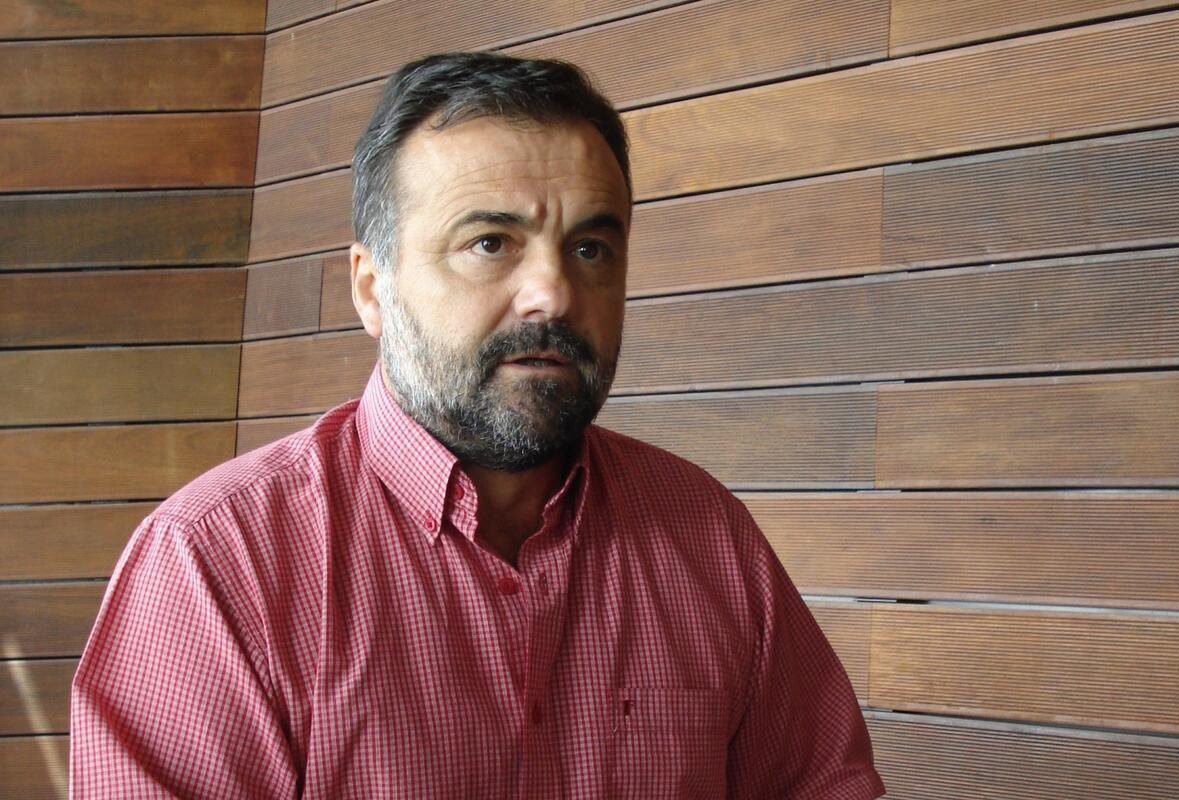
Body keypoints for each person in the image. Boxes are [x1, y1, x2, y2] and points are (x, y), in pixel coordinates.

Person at [70, 52, 885, 799]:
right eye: (491, 242)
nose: (553, 294)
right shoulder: (216, 564)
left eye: (591, 250)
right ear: (372, 289)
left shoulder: (708, 537)